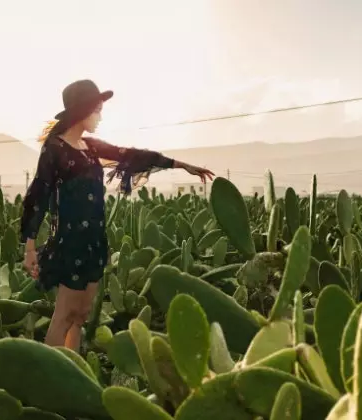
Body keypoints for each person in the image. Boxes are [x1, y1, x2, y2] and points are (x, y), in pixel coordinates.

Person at [20, 79, 215, 351]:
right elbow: (38, 194)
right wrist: (29, 246)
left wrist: (181, 165)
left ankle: (72, 366)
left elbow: (132, 155)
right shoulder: (55, 148)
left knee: (80, 316)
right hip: (71, 241)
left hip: (94, 240)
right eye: (97, 110)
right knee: (64, 314)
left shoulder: (91, 147)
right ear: (83, 110)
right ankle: (54, 374)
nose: (100, 116)